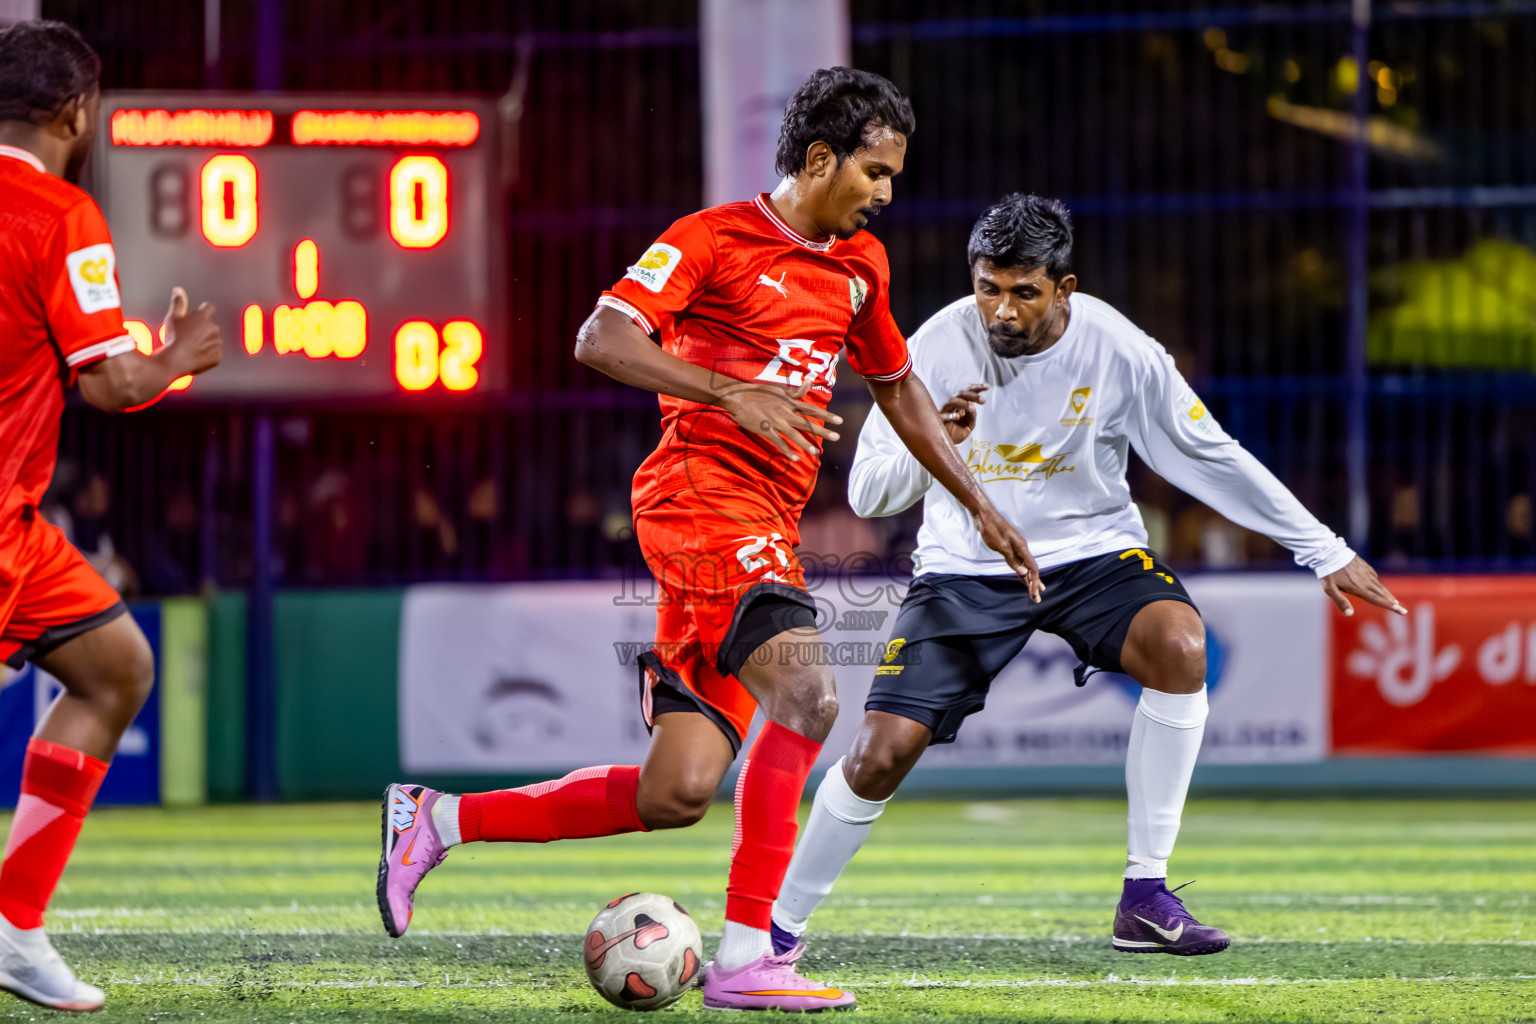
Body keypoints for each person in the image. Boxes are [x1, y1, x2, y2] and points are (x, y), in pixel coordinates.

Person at [377, 68, 1043, 1012]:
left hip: (760, 524)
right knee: (810, 695)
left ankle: (437, 821)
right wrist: (732, 391)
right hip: (698, 500)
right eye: (877, 171)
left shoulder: (863, 270)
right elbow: (598, 338)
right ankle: (745, 956)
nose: (889, 194)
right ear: (821, 159)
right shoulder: (712, 239)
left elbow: (897, 387)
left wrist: (979, 503)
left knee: (677, 791)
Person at [768, 193, 1406, 971]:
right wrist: (936, 441)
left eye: (1024, 291)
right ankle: (777, 929)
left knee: (1179, 643)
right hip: (966, 568)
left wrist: (1323, 549)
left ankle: (1145, 896)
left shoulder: (1120, 350)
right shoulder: (933, 344)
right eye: (987, 288)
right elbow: (870, 494)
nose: (1001, 310)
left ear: (1064, 288)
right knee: (877, 756)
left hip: (1094, 556)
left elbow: (1209, 455)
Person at [0, 20, 224, 1011]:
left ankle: (12, 927)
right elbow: (108, 382)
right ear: (77, 113)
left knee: (116, 665)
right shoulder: (58, 214)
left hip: (21, 535)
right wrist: (176, 356)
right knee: (116, 673)